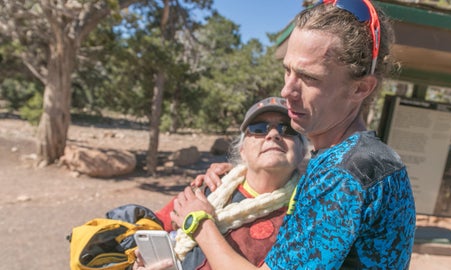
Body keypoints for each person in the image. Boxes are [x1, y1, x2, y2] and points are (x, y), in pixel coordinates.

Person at [168, 0, 417, 269]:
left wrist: (200, 223)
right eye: (287, 70)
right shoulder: (359, 159)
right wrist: (241, 173)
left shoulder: (343, 175)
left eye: (309, 78)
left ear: (360, 89)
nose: (287, 90)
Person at [133, 97, 307, 270]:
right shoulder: (208, 189)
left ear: (302, 151)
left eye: (287, 129)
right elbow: (151, 229)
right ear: (242, 151)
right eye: (259, 129)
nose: (273, 134)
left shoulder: (309, 211)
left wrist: (199, 222)